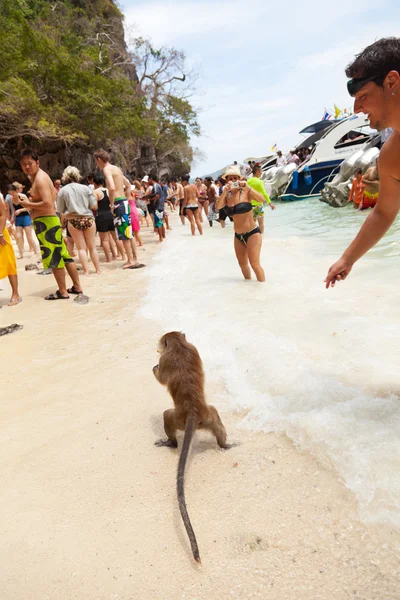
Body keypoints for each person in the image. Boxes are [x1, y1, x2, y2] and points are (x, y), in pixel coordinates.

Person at [325, 37, 400, 289]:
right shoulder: (391, 155)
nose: (357, 108)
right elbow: (384, 211)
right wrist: (348, 259)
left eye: (363, 96)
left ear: (391, 82)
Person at [19, 149, 83, 300]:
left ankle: (62, 291)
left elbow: (48, 203)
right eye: (23, 164)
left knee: (54, 258)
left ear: (37, 163)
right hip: (50, 221)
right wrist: (31, 203)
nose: (27, 167)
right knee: (64, 256)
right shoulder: (38, 178)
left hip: (46, 222)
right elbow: (52, 197)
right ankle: (76, 286)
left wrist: (28, 203)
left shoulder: (40, 179)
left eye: (30, 163)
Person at [216, 166, 267, 282]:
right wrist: (224, 192)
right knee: (242, 265)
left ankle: (264, 290)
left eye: (235, 178)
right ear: (226, 180)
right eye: (230, 178)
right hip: (238, 236)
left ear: (239, 179)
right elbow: (218, 206)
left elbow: (261, 199)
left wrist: (249, 188)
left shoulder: (246, 191)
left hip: (252, 233)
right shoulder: (227, 195)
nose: (233, 181)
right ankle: (249, 290)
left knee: (255, 264)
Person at [94, 149, 138, 269]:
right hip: (124, 201)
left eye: (96, 161)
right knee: (129, 232)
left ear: (98, 159)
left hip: (118, 202)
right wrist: (127, 198)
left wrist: (112, 204)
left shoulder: (106, 169)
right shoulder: (117, 168)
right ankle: (134, 258)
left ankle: (130, 260)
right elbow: (128, 185)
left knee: (123, 233)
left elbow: (112, 188)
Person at [57, 166, 101, 276]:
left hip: (73, 220)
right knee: (92, 247)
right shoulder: (86, 189)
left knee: (81, 248)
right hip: (88, 218)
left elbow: (60, 210)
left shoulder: (62, 191)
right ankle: (98, 270)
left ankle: (86, 272)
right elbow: (94, 206)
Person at [92, 174, 122, 262]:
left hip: (101, 216)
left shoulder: (96, 192)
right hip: (111, 215)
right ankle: (123, 256)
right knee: (116, 238)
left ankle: (108, 258)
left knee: (104, 240)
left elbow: (95, 207)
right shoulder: (109, 191)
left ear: (95, 183)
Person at [7, 183, 40, 259]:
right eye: (10, 193)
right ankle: (21, 253)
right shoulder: (10, 199)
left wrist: (20, 210)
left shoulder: (22, 196)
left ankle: (36, 251)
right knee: (18, 236)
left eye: (13, 193)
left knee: (29, 236)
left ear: (16, 191)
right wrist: (12, 218)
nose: (12, 195)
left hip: (26, 216)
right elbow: (13, 210)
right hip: (18, 218)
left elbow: (29, 207)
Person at [0, 194, 21, 306]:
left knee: (9, 263)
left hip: (1, 233)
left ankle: (15, 294)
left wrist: (1, 233)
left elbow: (3, 214)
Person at [247, 165, 276, 233]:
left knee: (253, 223)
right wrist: (270, 203)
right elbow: (264, 193)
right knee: (261, 223)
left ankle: (253, 236)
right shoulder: (259, 182)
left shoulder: (248, 182)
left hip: (250, 206)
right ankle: (261, 237)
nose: (261, 172)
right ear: (257, 172)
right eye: (261, 171)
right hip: (258, 205)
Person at [147, 174, 165, 243]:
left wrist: (153, 202)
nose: (148, 181)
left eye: (148, 180)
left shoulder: (155, 186)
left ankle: (160, 238)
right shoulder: (158, 185)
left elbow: (157, 196)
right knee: (161, 222)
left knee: (158, 223)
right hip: (160, 206)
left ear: (151, 179)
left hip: (157, 207)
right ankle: (163, 236)